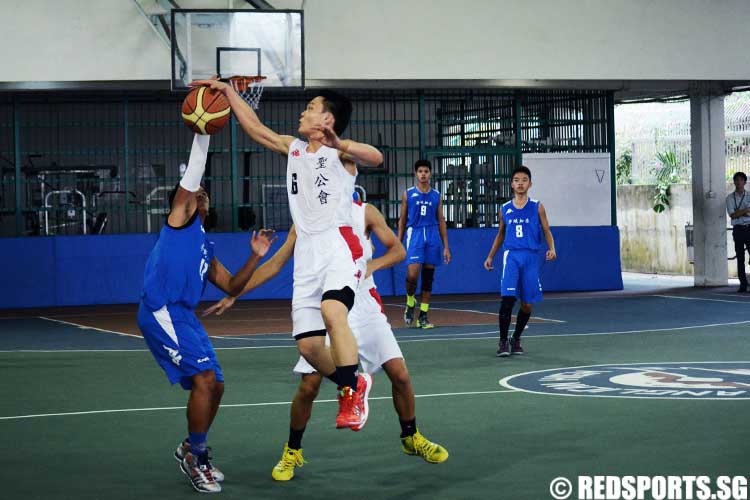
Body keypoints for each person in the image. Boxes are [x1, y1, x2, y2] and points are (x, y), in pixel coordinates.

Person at [204, 200, 449, 481]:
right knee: (309, 386)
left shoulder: (364, 212)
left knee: (400, 375)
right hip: (328, 303)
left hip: (363, 302)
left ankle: (411, 436)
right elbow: (276, 264)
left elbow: (398, 251)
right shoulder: (306, 216)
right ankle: (292, 450)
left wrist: (371, 265)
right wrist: (235, 293)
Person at [192, 79, 384, 429]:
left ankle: (348, 398)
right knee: (309, 348)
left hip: (340, 248)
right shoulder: (293, 148)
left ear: (327, 118)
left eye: (310, 107)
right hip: (308, 255)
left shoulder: (340, 152)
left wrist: (342, 142)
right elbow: (255, 128)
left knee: (332, 310)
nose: (303, 111)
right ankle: (352, 382)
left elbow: (377, 157)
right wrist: (229, 92)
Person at [137, 134, 276, 494]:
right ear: (185, 201)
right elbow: (194, 174)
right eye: (194, 192)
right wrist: (204, 130)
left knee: (217, 384)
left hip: (185, 316)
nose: (201, 193)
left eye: (202, 193)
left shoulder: (204, 245)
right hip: (161, 310)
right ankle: (195, 458)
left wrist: (255, 255)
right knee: (202, 380)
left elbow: (232, 286)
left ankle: (191, 446)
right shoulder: (178, 223)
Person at [483, 165, 556, 357]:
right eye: (517, 180)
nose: (520, 183)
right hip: (512, 256)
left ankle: (516, 338)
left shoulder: (537, 206)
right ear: (511, 184)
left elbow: (546, 230)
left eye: (524, 180)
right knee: (507, 298)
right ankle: (502, 342)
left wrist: (552, 248)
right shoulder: (505, 209)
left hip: (531, 257)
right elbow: (500, 234)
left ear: (530, 184)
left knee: (527, 304)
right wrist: (490, 255)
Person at [396, 159, 451, 329]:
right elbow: (403, 219)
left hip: (432, 235)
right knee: (412, 276)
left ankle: (423, 316)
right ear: (415, 174)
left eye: (426, 171)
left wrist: (446, 246)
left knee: (428, 278)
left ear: (430, 173)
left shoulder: (436, 195)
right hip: (416, 234)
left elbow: (441, 220)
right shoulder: (408, 194)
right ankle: (410, 302)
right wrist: (398, 242)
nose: (423, 174)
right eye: (420, 171)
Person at [726, 171, 750, 292]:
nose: (738, 182)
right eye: (736, 180)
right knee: (740, 258)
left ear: (745, 182)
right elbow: (732, 215)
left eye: (741, 180)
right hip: (738, 230)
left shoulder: (749, 195)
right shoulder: (730, 198)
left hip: (749, 227)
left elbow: (737, 214)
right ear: (734, 182)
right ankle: (743, 284)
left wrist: (738, 213)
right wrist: (745, 211)